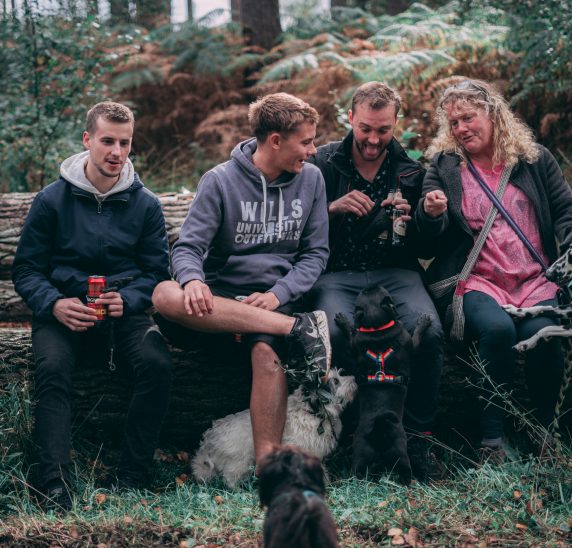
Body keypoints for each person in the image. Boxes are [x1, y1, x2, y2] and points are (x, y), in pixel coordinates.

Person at [151, 93, 331, 473]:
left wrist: (277, 294)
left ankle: (268, 464)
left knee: (266, 355)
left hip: (270, 300)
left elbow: (315, 253)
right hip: (217, 305)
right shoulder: (219, 181)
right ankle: (299, 330)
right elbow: (187, 247)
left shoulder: (312, 180)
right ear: (276, 140)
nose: (313, 151)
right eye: (306, 141)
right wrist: (194, 280)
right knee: (165, 294)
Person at [12, 102, 174, 512]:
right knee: (51, 370)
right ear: (87, 140)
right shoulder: (51, 200)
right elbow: (27, 269)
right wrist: (54, 304)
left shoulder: (146, 204)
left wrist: (131, 299)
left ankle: (132, 474)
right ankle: (53, 483)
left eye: (124, 143)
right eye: (107, 141)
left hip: (124, 312)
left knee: (157, 362)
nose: (116, 152)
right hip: (64, 312)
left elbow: (157, 271)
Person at [415, 78, 572, 463]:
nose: (461, 129)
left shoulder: (534, 159)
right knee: (496, 329)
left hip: (533, 279)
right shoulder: (443, 168)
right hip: (477, 280)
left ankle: (545, 436)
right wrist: (430, 215)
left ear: (493, 114)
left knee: (545, 335)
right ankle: (491, 441)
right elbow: (426, 244)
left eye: (468, 118)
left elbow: (566, 211)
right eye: (453, 122)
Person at [307, 81, 445, 480]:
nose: (373, 139)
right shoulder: (322, 162)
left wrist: (423, 217)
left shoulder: (410, 171)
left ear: (395, 124)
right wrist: (331, 208)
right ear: (350, 118)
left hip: (396, 274)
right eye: (366, 128)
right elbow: (295, 224)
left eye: (383, 130)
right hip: (336, 274)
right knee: (334, 333)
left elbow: (427, 243)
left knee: (431, 332)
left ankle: (417, 436)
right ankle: (355, 433)